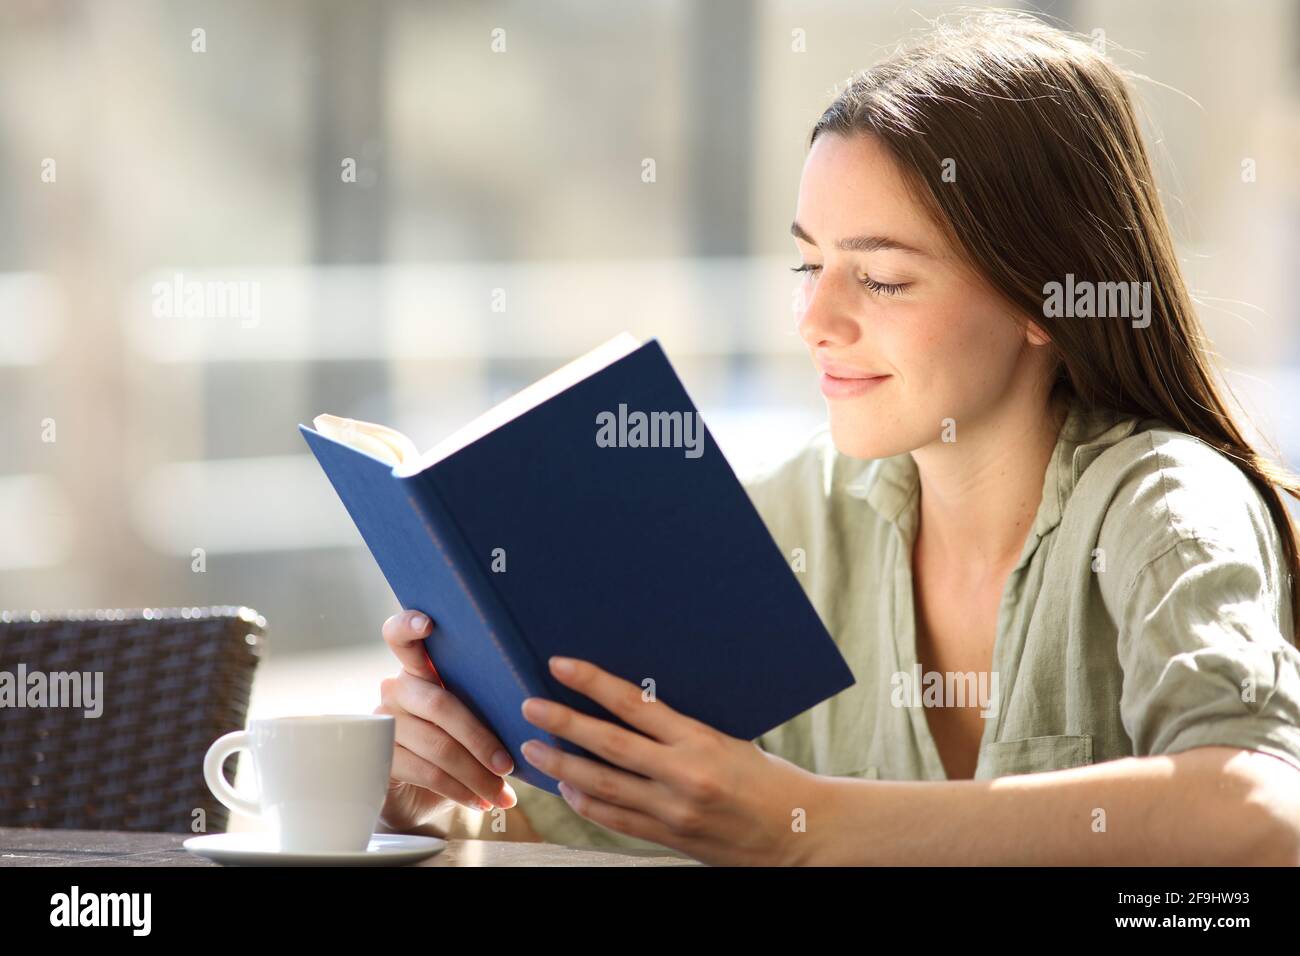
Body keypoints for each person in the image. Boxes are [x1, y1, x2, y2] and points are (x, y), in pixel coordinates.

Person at [373, 11, 1300, 864]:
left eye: (884, 280)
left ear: (1044, 299)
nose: (814, 320)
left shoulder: (1164, 510)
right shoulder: (785, 518)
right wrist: (433, 796)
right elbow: (578, 822)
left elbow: (1258, 812)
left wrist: (799, 824)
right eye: (808, 263)